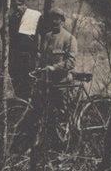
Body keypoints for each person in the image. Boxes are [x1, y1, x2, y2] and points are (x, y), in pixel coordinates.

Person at [33, 10, 79, 149]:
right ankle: (48, 145)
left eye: (58, 19)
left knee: (62, 115)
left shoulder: (69, 38)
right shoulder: (46, 36)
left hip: (62, 83)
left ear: (63, 21)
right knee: (47, 114)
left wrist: (54, 68)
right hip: (47, 82)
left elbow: (71, 63)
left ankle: (67, 146)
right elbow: (42, 57)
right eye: (53, 19)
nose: (55, 22)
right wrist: (38, 68)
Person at [7, 0, 39, 98]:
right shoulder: (12, 18)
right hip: (15, 56)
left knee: (28, 82)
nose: (17, 8)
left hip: (29, 57)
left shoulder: (34, 16)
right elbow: (5, 33)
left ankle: (28, 105)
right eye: (15, 6)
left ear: (24, 4)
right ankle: (20, 103)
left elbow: (42, 33)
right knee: (17, 81)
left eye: (19, 5)